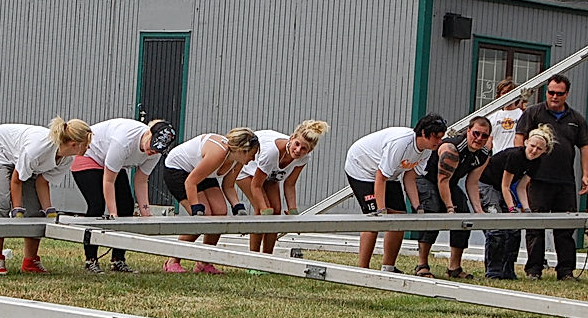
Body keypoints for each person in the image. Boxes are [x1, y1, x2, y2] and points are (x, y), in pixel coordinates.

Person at [0, 118, 92, 275]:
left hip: (22, 159)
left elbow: (42, 182)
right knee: (0, 205)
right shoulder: (38, 149)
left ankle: (30, 261)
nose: (88, 147)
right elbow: (17, 180)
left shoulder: (67, 159)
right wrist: (17, 209)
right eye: (86, 144)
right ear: (74, 144)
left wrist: (48, 211)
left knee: (35, 211)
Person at [513, 73, 588, 281]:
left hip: (565, 181)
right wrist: (522, 166)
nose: (554, 97)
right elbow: (519, 139)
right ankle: (534, 270)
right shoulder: (533, 113)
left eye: (559, 93)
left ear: (567, 94)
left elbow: (585, 147)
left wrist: (585, 175)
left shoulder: (576, 119)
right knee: (535, 226)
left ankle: (566, 271)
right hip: (536, 180)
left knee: (565, 227)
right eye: (551, 92)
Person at [343, 113, 448, 271]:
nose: (440, 142)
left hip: (388, 174)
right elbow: (380, 177)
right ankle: (363, 269)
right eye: (437, 137)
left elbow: (409, 178)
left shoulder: (427, 150)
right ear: (424, 133)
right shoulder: (401, 143)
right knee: (373, 219)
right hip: (361, 169)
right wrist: (381, 210)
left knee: (399, 218)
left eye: (441, 137)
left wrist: (417, 207)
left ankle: (388, 267)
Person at [71, 118, 177, 273]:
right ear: (148, 133)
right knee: (97, 205)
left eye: (158, 150)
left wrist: (145, 212)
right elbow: (108, 181)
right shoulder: (124, 141)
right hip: (90, 155)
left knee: (127, 206)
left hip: (114, 162)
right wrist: (113, 214)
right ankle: (91, 259)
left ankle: (118, 259)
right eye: (152, 146)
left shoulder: (155, 153)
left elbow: (141, 181)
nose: (152, 152)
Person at [161, 128, 260, 273]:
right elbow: (190, 182)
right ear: (242, 150)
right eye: (252, 154)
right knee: (204, 217)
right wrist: (196, 209)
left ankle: (204, 262)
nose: (253, 159)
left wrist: (238, 207)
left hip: (201, 172)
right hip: (179, 170)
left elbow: (228, 185)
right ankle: (172, 260)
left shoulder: (239, 160)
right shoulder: (218, 153)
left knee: (220, 213)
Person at [414, 116, 493, 279]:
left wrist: (479, 211)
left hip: (450, 183)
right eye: (476, 133)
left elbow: (472, 183)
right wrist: (450, 208)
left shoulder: (484, 154)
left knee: (464, 217)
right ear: (468, 131)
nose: (479, 138)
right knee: (433, 213)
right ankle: (422, 265)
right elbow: (442, 180)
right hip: (427, 179)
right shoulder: (451, 148)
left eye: (484, 135)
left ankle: (454, 268)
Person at [237, 120, 329, 255]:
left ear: (310, 150)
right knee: (262, 211)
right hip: (247, 169)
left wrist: (293, 210)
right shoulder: (271, 152)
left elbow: (290, 184)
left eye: (304, 148)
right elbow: (256, 185)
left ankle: (268, 256)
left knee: (276, 212)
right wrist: (263, 209)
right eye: (297, 144)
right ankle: (254, 257)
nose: (298, 150)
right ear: (292, 138)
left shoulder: (304, 158)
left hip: (270, 174)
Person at [477, 124, 555, 279]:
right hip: (488, 185)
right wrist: (512, 209)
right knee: (496, 228)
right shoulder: (515, 156)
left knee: (514, 230)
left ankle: (508, 270)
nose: (534, 151)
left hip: (502, 189)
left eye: (539, 149)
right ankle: (493, 272)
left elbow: (521, 187)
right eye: (532, 146)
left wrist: (526, 209)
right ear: (526, 142)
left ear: (544, 151)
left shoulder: (536, 162)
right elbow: (505, 186)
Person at [486, 77, 525, 154]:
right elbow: (488, 144)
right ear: (499, 95)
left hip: (516, 157)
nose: (507, 96)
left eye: (510, 92)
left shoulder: (523, 115)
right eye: (504, 93)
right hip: (498, 158)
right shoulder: (492, 117)